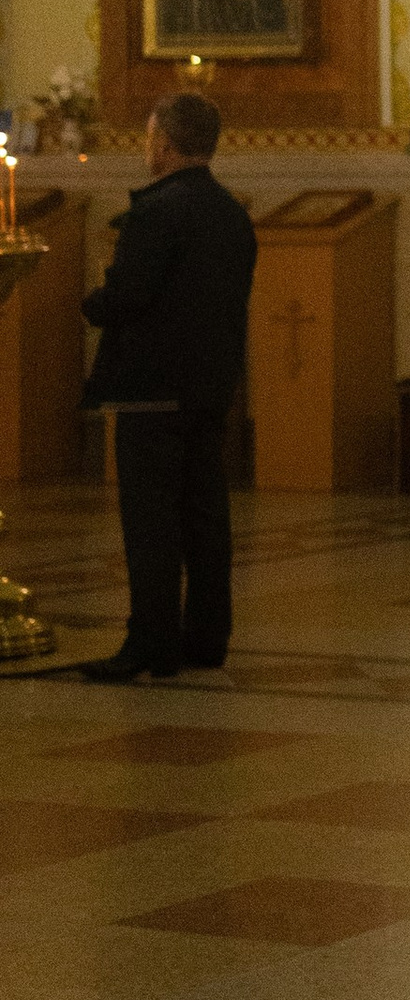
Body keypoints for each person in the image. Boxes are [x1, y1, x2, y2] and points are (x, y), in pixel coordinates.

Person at [78, 92, 258, 684]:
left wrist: (90, 303)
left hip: (151, 389)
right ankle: (206, 637)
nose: (146, 147)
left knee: (151, 521)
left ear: (164, 145)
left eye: (149, 137)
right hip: (210, 387)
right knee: (204, 514)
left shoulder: (157, 211)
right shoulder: (231, 212)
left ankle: (151, 642)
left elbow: (127, 297)